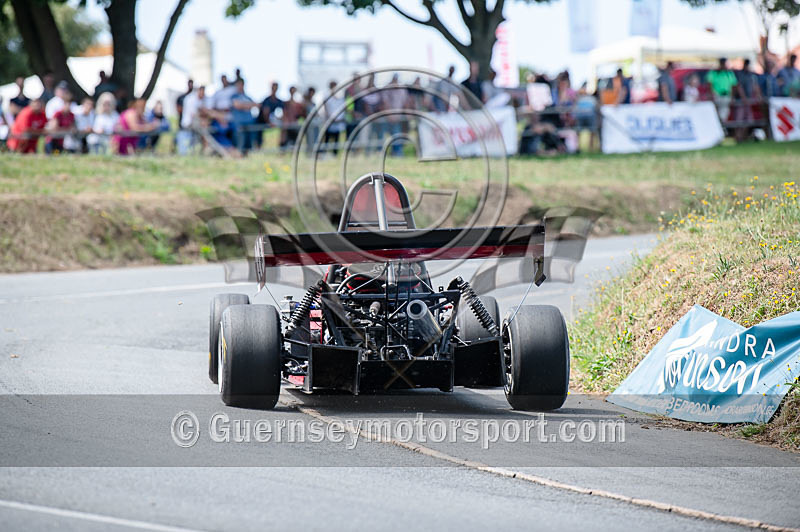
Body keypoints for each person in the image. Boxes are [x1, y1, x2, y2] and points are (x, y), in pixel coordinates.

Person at [230, 78, 259, 153]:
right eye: (238, 84)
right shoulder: (234, 96)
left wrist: (244, 105)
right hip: (239, 125)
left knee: (249, 145)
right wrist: (249, 105)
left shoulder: (247, 97)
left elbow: (257, 105)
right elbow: (237, 106)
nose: (240, 86)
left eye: (241, 84)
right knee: (240, 144)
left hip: (249, 124)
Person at [706, 57, 738, 122]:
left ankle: (722, 128)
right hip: (716, 95)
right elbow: (709, 84)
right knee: (715, 114)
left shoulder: (729, 73)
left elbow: (734, 85)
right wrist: (711, 94)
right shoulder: (714, 73)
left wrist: (732, 97)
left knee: (723, 116)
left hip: (726, 96)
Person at [177, 85, 207, 155]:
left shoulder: (198, 99)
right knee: (184, 152)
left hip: (193, 127)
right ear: (199, 91)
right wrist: (202, 121)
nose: (203, 95)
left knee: (192, 149)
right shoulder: (191, 99)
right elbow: (193, 115)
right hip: (188, 125)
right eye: (202, 93)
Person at [46, 89, 76, 154]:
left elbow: (72, 127)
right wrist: (67, 129)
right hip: (53, 140)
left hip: (62, 141)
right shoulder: (58, 114)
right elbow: (54, 128)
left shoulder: (71, 115)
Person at [323, 80, 346, 155]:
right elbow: (326, 109)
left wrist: (339, 119)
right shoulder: (327, 97)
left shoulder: (341, 98)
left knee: (336, 139)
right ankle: (324, 153)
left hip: (338, 122)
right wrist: (332, 119)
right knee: (327, 138)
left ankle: (334, 154)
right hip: (330, 122)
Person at [574, 83, 598, 152]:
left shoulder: (592, 98)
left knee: (592, 132)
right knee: (579, 132)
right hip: (581, 117)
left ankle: (591, 148)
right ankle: (578, 147)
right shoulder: (579, 98)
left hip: (590, 117)